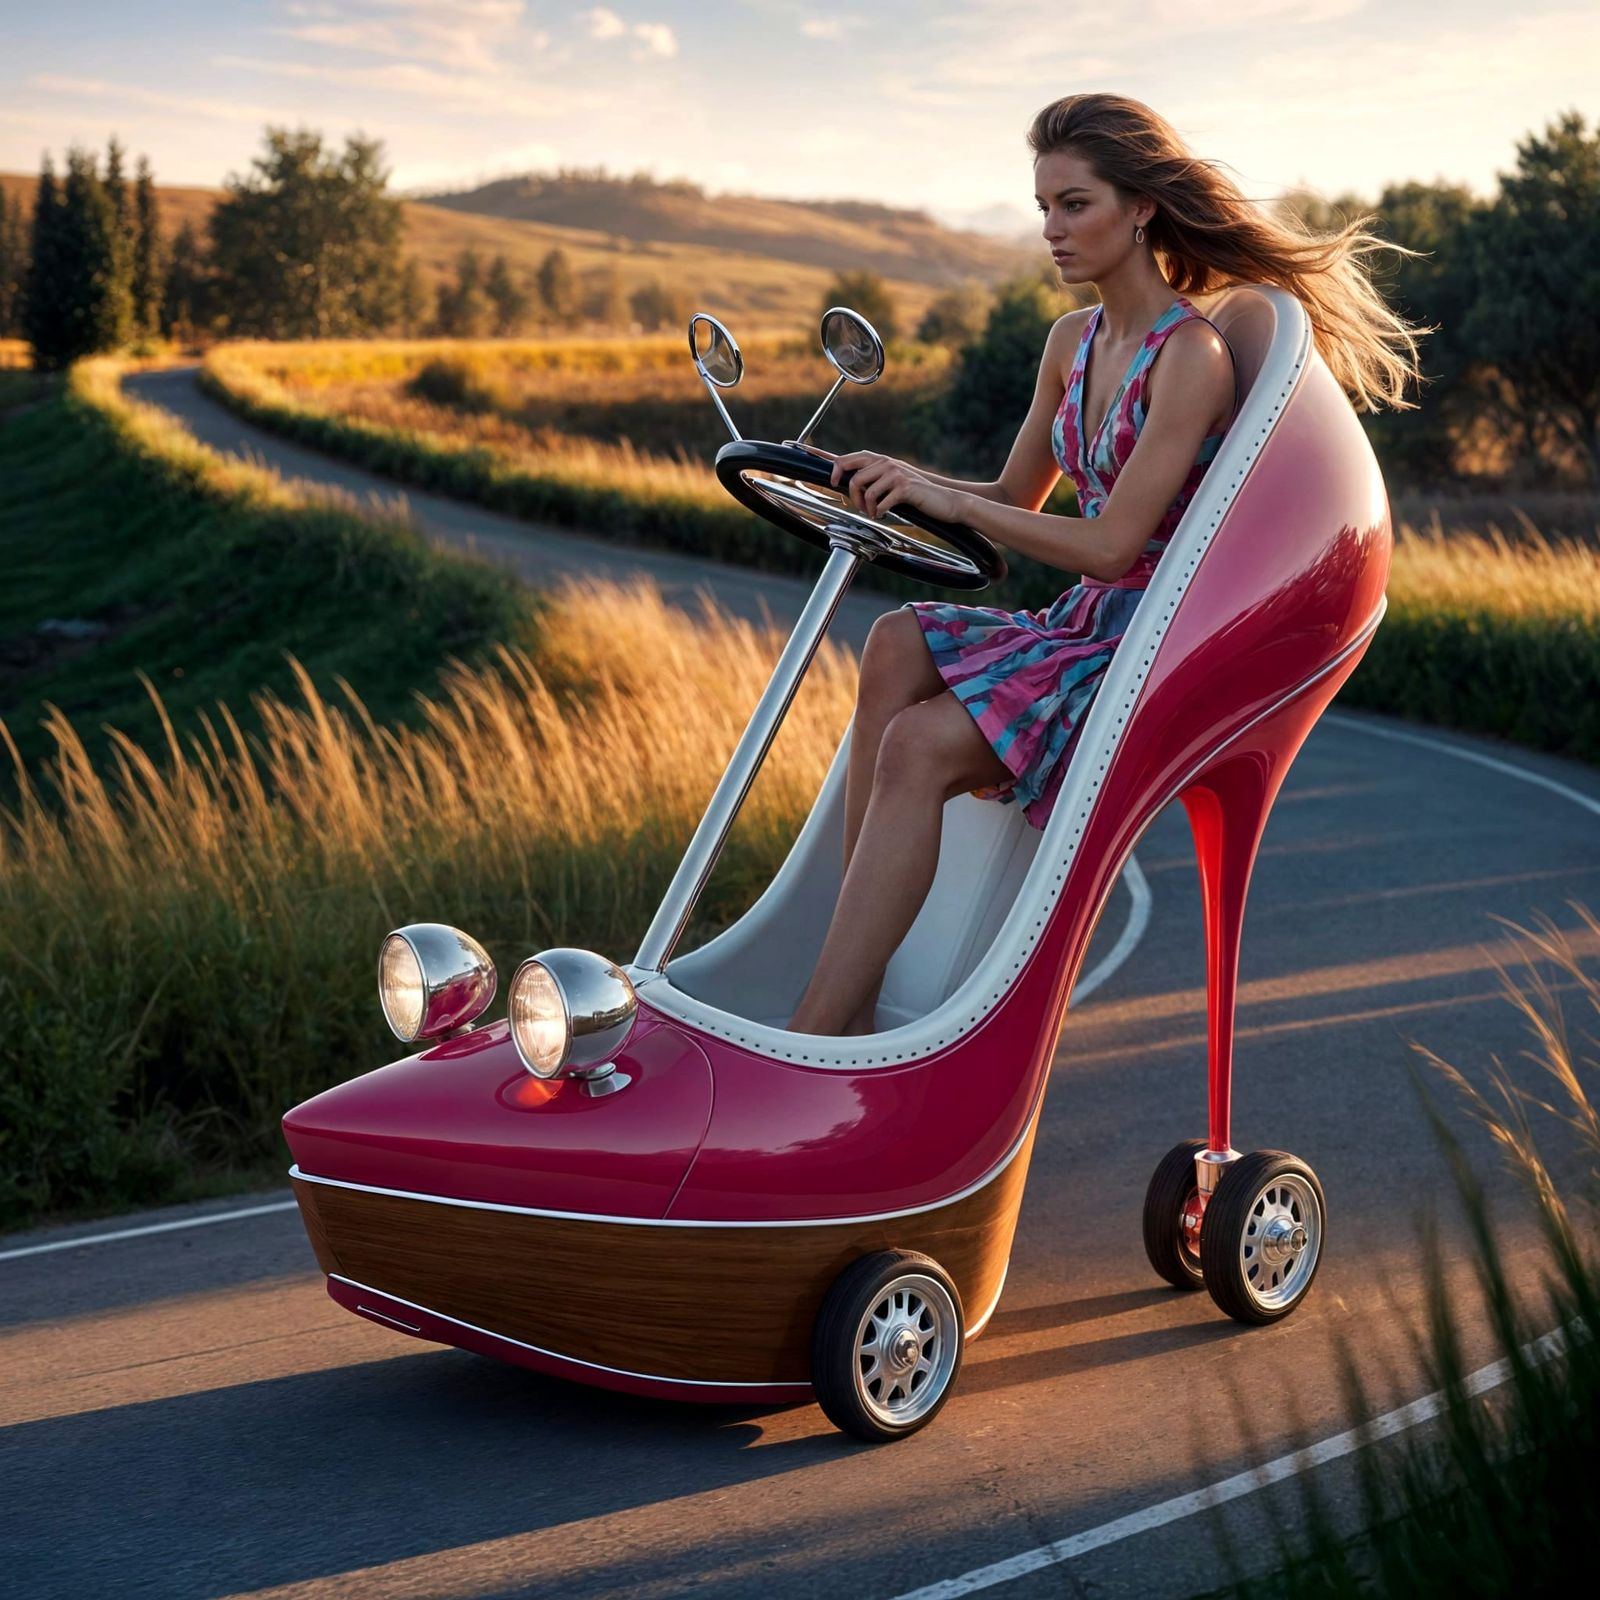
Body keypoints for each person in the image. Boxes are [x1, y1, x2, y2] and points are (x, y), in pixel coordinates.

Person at [785, 91, 1427, 1039]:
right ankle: (848, 975)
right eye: (1042, 206)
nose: (1051, 229)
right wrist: (906, 479)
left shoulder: (1192, 358)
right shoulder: (1069, 345)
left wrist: (952, 502)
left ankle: (821, 1026)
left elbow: (1115, 545)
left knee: (918, 746)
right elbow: (1014, 498)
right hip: (1081, 623)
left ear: (1140, 210)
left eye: (1074, 204)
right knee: (890, 641)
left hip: (1139, 649)